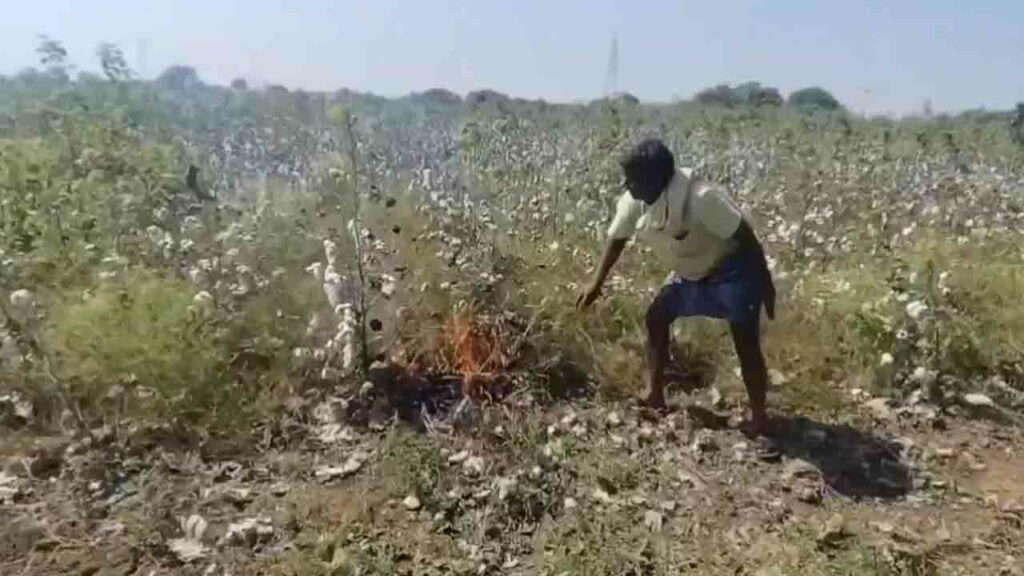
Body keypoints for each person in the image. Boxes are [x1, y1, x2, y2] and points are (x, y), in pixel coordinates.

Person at [577, 138, 776, 436]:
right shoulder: (635, 201)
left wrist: (765, 284)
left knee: (745, 341)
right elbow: (617, 239)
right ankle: (654, 394)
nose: (626, 184)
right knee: (656, 317)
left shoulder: (702, 198)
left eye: (633, 178)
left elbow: (745, 237)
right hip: (691, 275)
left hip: (734, 272)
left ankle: (759, 417)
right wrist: (596, 283)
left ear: (656, 179)